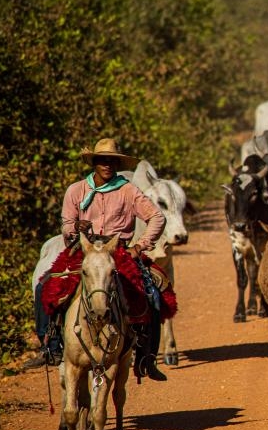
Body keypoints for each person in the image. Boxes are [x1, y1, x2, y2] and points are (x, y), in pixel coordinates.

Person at [31, 138, 174, 382]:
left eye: (112, 161)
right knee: (46, 285)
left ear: (117, 164)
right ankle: (51, 345)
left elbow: (157, 218)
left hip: (117, 252)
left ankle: (145, 357)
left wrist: (140, 246)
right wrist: (75, 227)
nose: (107, 165)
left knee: (153, 294)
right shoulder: (76, 190)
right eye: (102, 160)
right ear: (94, 162)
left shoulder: (128, 190)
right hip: (83, 249)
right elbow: (66, 225)